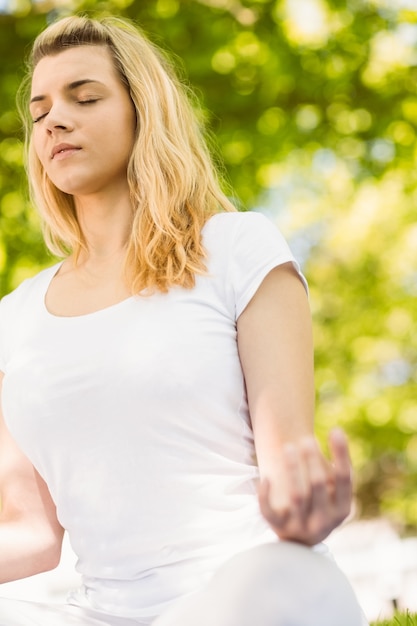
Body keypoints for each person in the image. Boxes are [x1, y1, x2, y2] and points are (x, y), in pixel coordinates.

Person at [0, 14, 366, 626]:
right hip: (102, 613)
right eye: (39, 114)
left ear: (143, 112)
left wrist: (307, 511)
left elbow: (287, 471)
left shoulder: (237, 250)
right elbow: (30, 531)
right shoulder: (14, 319)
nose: (55, 119)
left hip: (252, 586)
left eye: (85, 97)